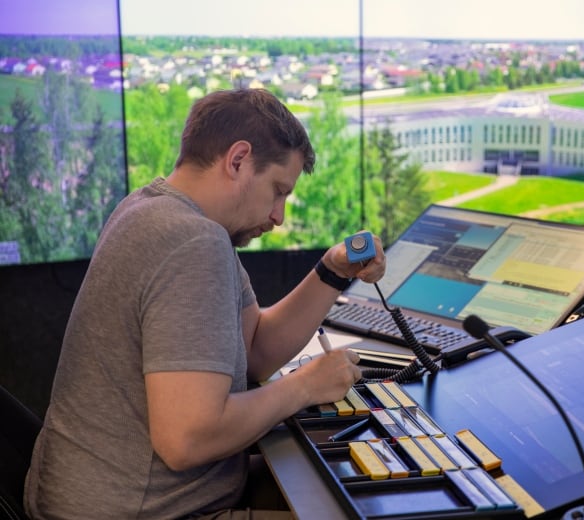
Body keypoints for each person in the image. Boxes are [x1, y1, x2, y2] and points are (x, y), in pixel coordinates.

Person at [24, 88, 385, 519]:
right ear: (237, 160)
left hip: (108, 498)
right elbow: (188, 439)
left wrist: (332, 270)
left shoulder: (151, 209)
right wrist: (305, 386)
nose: (278, 216)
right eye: (277, 191)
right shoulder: (192, 241)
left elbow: (255, 351)